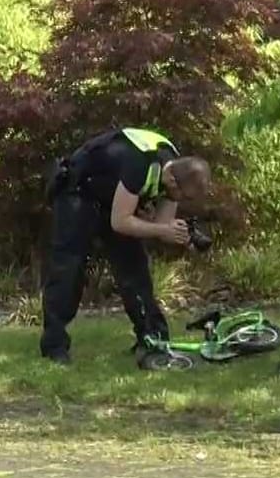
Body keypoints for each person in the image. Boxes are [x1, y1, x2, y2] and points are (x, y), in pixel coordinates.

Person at [39, 127, 213, 364]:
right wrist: (163, 229)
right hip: (77, 191)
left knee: (134, 266)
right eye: (182, 195)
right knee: (69, 266)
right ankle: (54, 346)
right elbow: (120, 222)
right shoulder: (139, 165)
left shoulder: (173, 167)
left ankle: (153, 338)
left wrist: (180, 236)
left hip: (112, 199)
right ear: (173, 179)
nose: (180, 201)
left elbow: (162, 225)